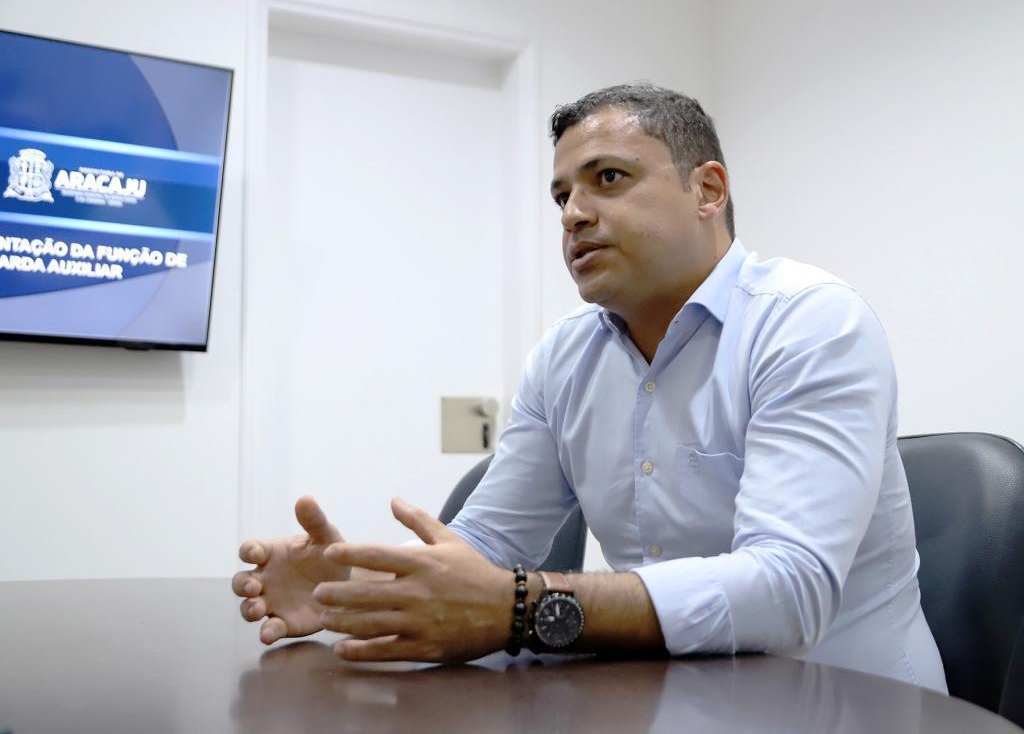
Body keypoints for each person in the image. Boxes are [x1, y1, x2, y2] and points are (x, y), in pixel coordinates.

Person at [233, 84, 947, 691]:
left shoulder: (811, 323)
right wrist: (353, 592)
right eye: (562, 195)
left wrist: (524, 606)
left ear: (707, 190)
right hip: (674, 701)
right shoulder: (564, 357)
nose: (573, 213)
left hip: (848, 705)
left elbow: (789, 592)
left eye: (607, 178)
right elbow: (486, 550)